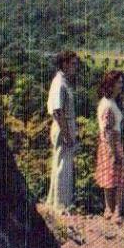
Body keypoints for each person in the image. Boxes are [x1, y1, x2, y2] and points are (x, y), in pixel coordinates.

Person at [94, 70, 124, 224]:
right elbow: (108, 129)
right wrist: (114, 153)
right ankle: (116, 212)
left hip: (106, 144)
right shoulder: (108, 105)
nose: (121, 85)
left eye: (122, 82)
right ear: (111, 84)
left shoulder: (106, 102)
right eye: (119, 82)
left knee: (109, 178)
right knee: (121, 180)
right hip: (112, 143)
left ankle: (109, 211)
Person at [45, 50, 80, 214]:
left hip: (65, 125)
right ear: (64, 64)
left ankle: (57, 203)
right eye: (73, 63)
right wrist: (67, 134)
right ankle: (60, 206)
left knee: (63, 165)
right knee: (62, 166)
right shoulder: (59, 82)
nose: (75, 67)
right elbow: (57, 111)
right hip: (62, 127)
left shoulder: (63, 81)